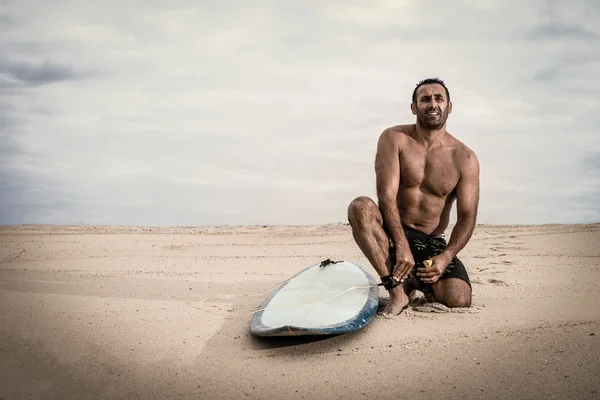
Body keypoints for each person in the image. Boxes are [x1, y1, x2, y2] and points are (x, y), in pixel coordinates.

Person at [347, 77, 480, 318]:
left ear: (449, 107)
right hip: (394, 231)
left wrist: (445, 256)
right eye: (425, 99)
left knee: (459, 299)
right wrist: (401, 244)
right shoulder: (394, 138)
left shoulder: (465, 158)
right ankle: (396, 290)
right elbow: (386, 195)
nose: (432, 104)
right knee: (360, 207)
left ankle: (414, 282)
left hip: (431, 241)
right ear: (414, 107)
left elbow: (467, 217)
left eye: (439, 98)